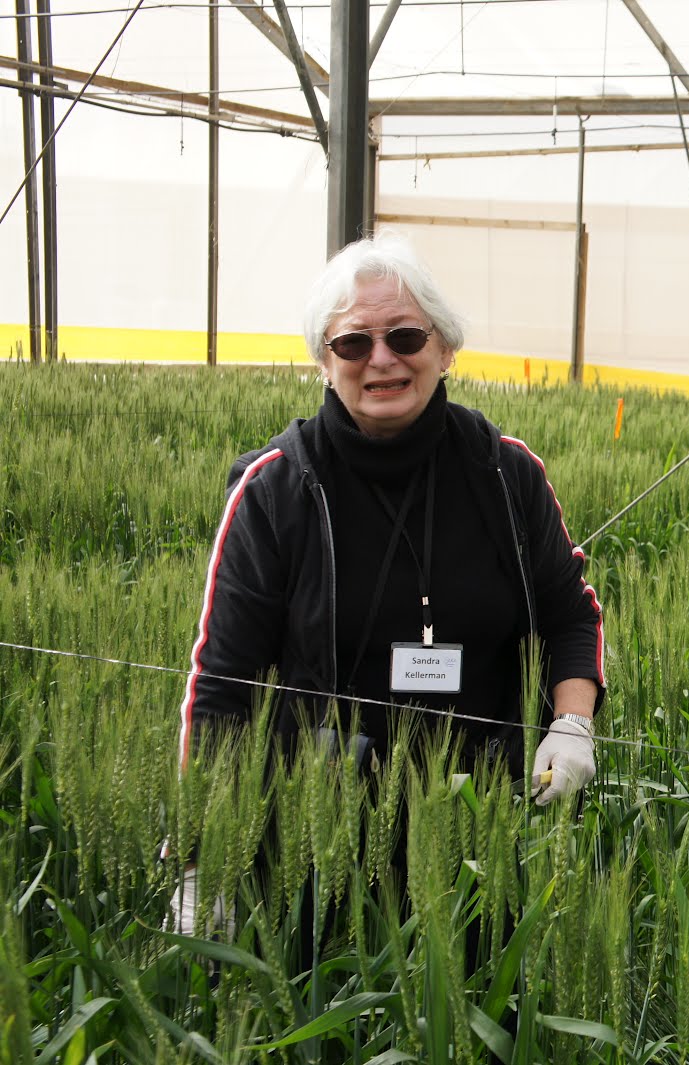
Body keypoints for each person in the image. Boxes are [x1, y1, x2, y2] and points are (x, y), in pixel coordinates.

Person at [170, 233, 605, 932]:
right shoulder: (273, 490)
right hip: (316, 840)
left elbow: (571, 614)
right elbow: (223, 684)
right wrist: (200, 857)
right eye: (353, 343)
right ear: (324, 360)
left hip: (481, 836)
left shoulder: (505, 474)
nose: (381, 359)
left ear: (445, 347)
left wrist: (572, 722)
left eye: (406, 336)